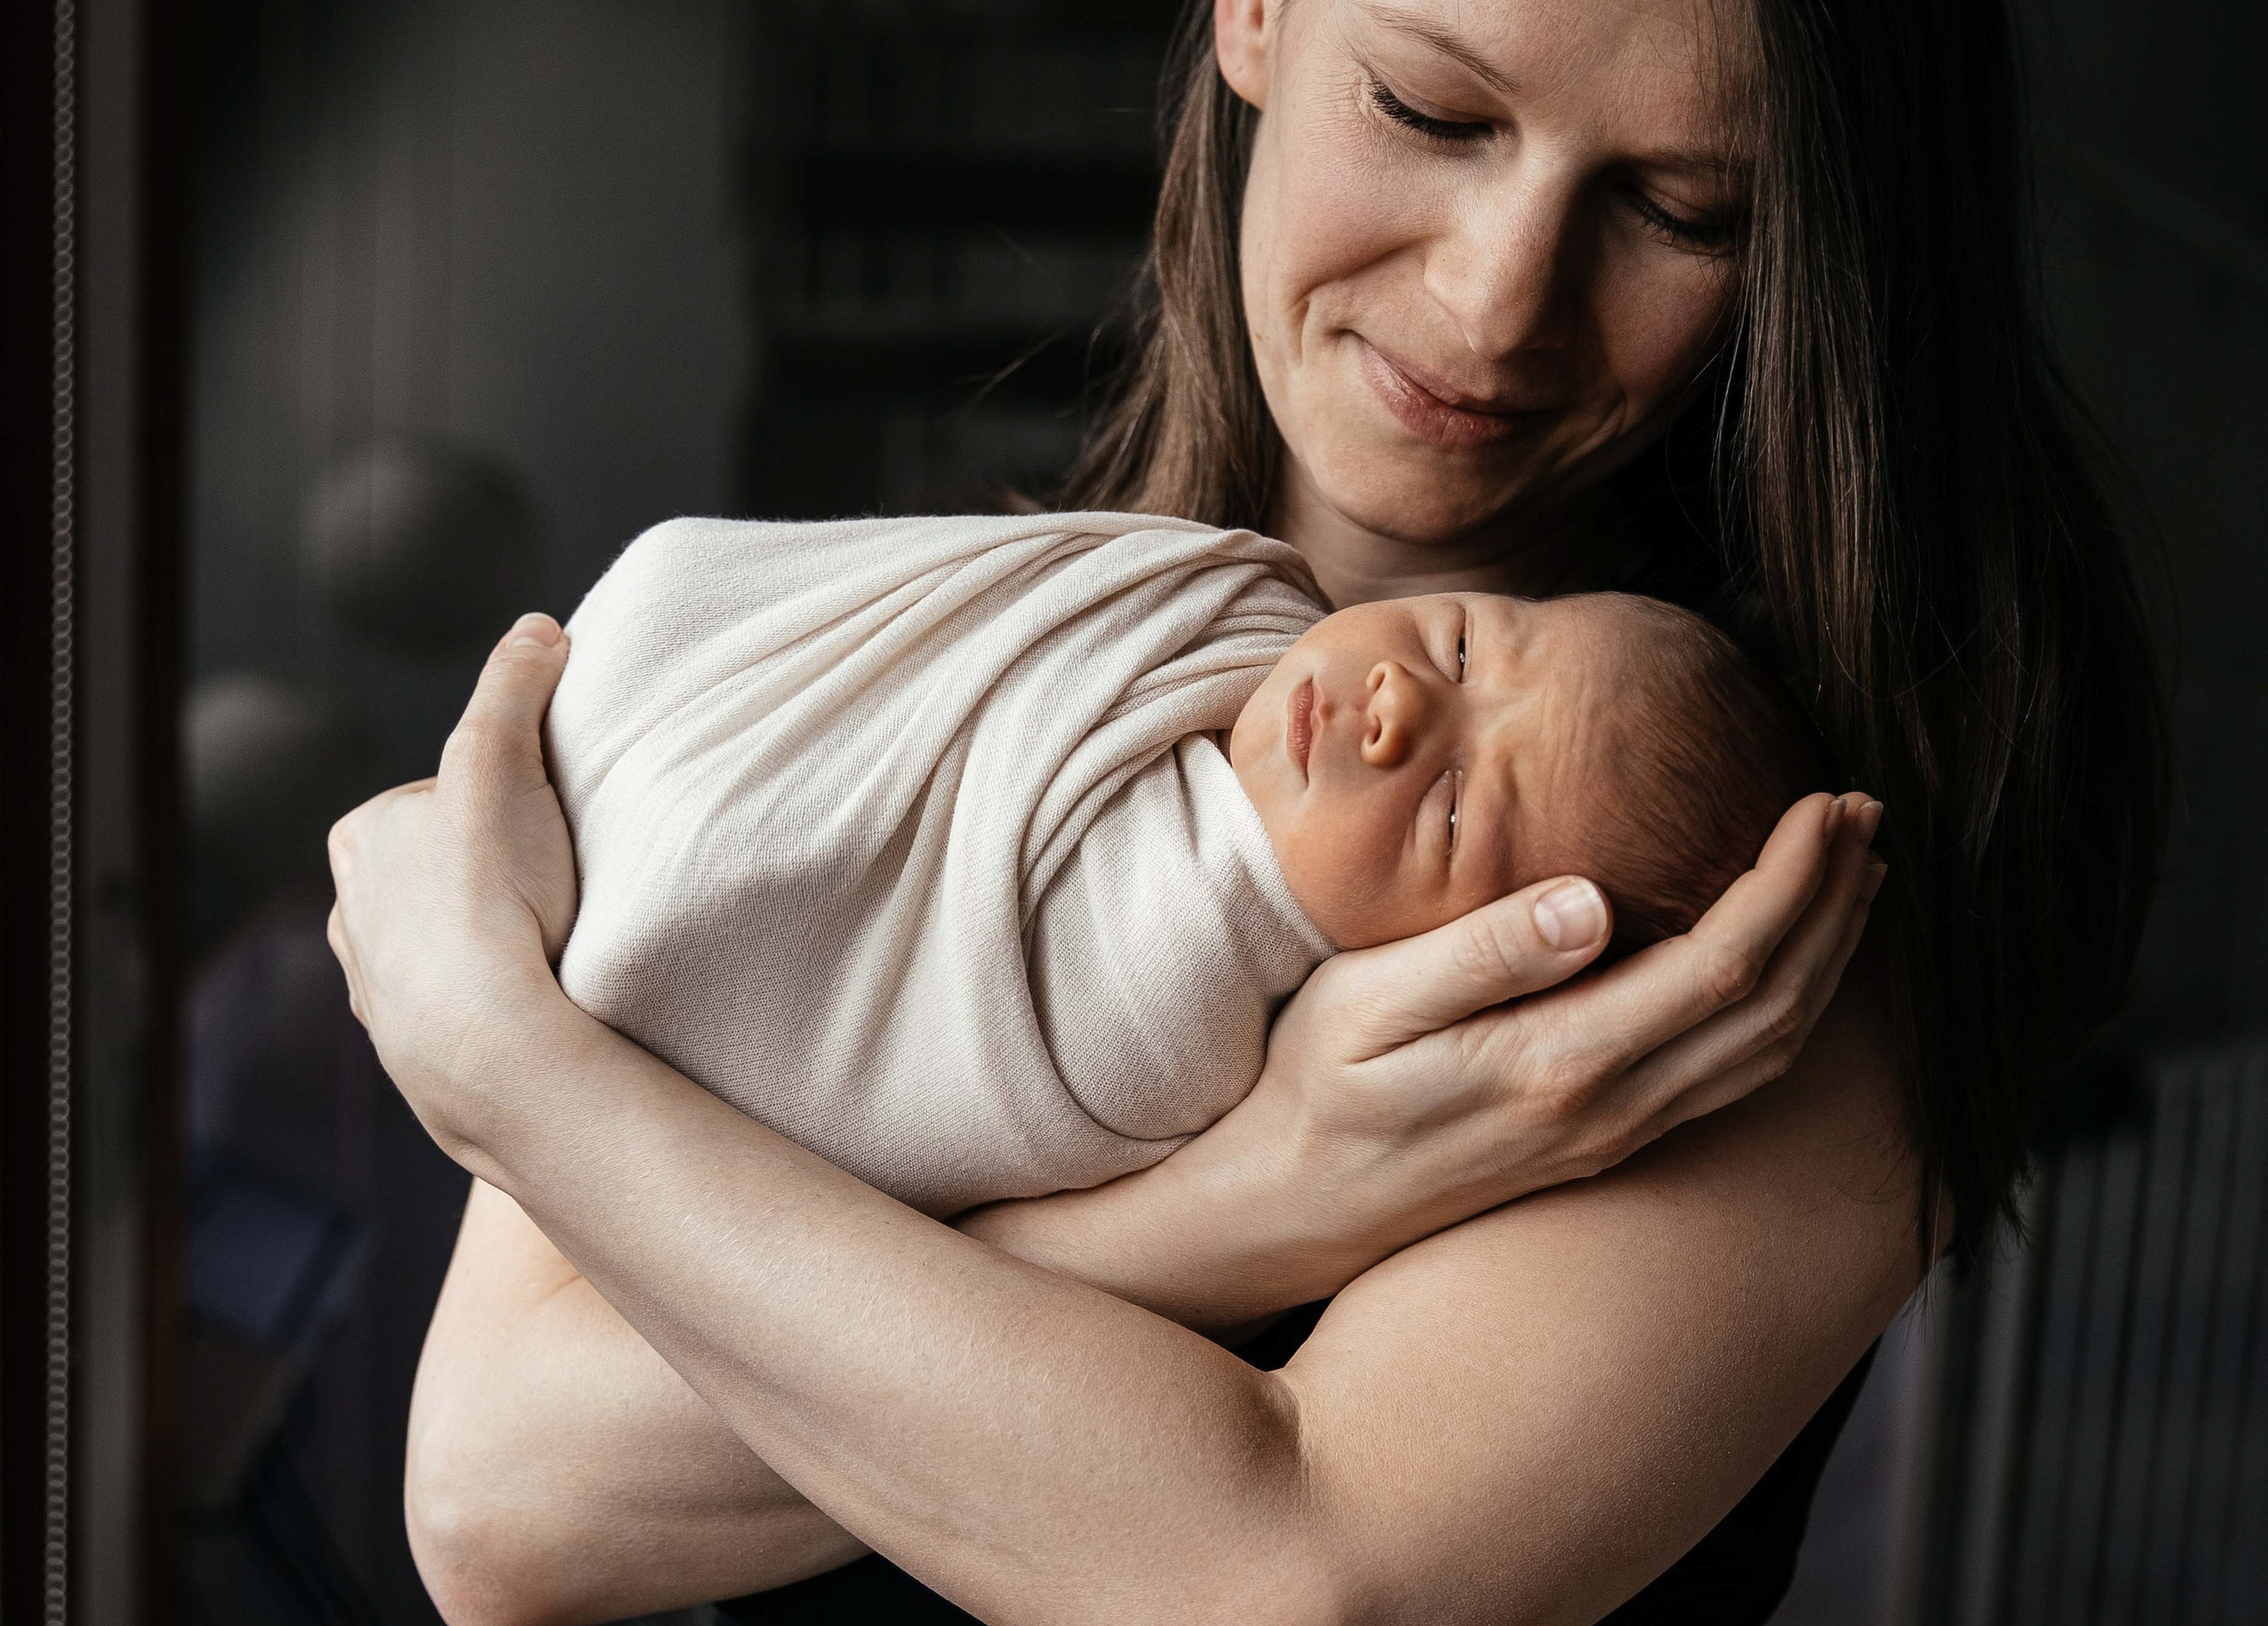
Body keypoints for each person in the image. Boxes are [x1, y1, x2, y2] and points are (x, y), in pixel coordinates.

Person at [327, 0, 2163, 1626]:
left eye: (1682, 206)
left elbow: (1269, 1615)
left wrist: (502, 1050)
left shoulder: (1740, 875)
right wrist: (1252, 1189)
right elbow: (508, 1500)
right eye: (1437, 111)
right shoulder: (986, 656)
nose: (1499, 302)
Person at [548, 506, 1824, 1209]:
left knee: (710, 860)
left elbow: (923, 1039)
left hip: (688, 872)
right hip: (676, 667)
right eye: (1465, 649)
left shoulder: (1180, 1004)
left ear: (1471, 963)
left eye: (1449, 815)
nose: (1392, 704)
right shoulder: (1248, 610)